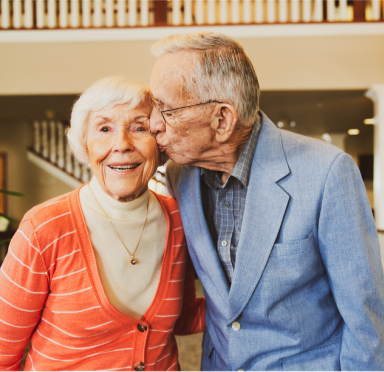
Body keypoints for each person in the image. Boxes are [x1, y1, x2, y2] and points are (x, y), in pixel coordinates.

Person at [149, 31, 384, 371]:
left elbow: (366, 318)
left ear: (222, 120)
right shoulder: (178, 175)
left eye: (165, 109)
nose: (155, 124)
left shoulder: (327, 172)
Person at [0, 76, 204, 372]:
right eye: (104, 128)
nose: (121, 144)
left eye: (140, 127)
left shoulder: (178, 219)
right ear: (85, 144)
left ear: (159, 142)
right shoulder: (43, 228)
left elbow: (183, 317)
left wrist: (264, 302)